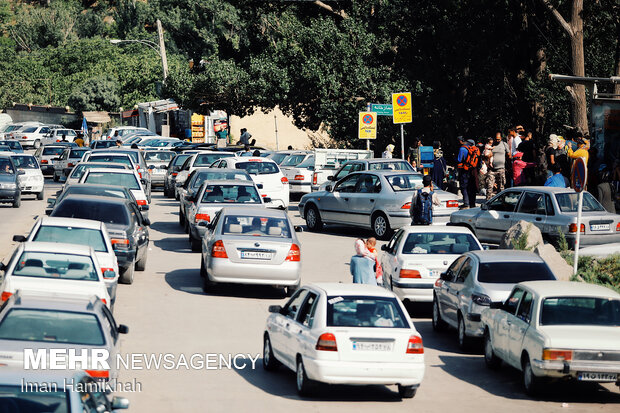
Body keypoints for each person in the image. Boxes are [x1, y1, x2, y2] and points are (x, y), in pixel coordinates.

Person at [456, 136, 478, 209]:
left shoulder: (462, 149)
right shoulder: (472, 150)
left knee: (463, 187)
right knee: (471, 187)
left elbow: (459, 159)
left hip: (464, 170)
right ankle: (472, 203)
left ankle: (466, 203)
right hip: (472, 170)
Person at [491, 132, 510, 196]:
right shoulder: (491, 144)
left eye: (498, 139)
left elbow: (509, 155)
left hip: (501, 169)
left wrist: (508, 166)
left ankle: (501, 201)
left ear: (501, 138)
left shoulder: (504, 144)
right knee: (489, 187)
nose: (497, 140)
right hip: (492, 169)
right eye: (496, 139)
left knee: (501, 187)